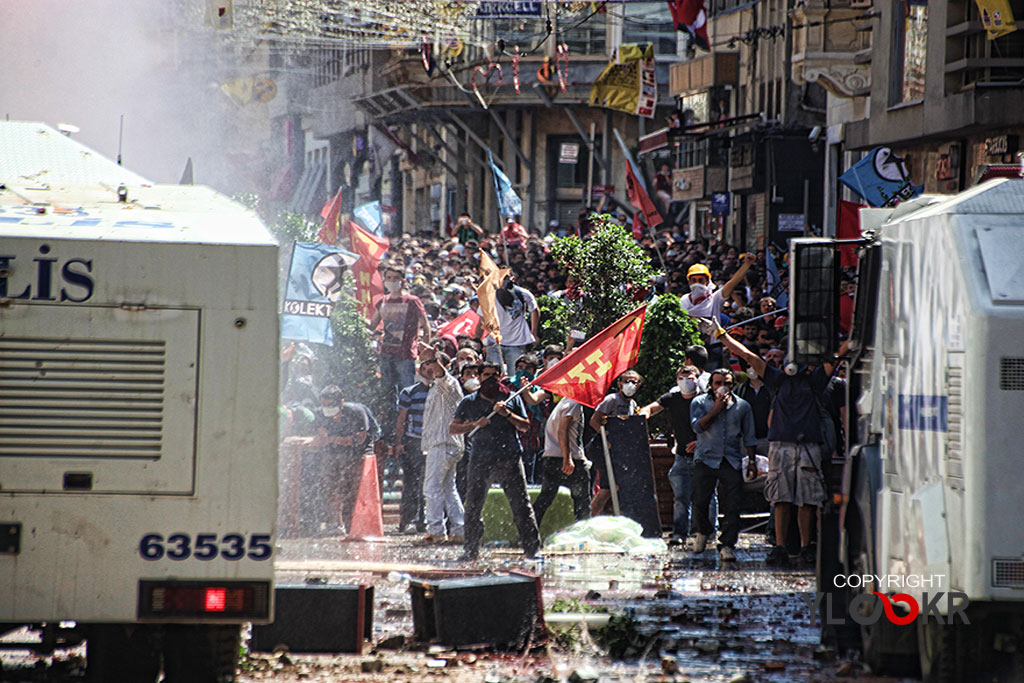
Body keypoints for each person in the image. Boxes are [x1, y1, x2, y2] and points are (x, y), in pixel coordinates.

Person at [718, 330, 841, 566]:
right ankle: (781, 546)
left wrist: (840, 345)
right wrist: (721, 335)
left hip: (807, 444)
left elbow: (831, 360)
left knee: (808, 501)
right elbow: (749, 356)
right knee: (781, 499)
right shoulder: (777, 379)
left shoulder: (815, 381)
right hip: (781, 444)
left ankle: (806, 546)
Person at [449, 362, 541, 562]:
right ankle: (471, 550)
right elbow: (453, 428)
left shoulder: (511, 398)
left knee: (521, 505)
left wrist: (507, 414)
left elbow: (526, 426)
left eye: (494, 375)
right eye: (486, 375)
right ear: (480, 377)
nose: (490, 378)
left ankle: (532, 550)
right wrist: (475, 424)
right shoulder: (469, 401)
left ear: (500, 376)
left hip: (510, 458)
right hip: (480, 458)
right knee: (473, 505)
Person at [689, 368, 758, 562]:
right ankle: (703, 531)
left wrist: (751, 461)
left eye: (727, 383)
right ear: (711, 385)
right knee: (700, 500)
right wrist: (716, 409)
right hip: (706, 457)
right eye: (718, 383)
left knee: (733, 504)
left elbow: (749, 436)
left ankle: (727, 544)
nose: (722, 387)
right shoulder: (699, 402)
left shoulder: (742, 406)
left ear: (733, 385)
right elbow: (697, 426)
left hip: (731, 459)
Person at [639, 365, 700, 545]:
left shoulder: (705, 400)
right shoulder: (672, 398)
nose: (686, 382)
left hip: (704, 455)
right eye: (682, 378)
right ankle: (680, 533)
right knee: (681, 498)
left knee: (708, 497)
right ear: (676, 381)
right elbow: (652, 408)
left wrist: (702, 443)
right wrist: (644, 414)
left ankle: (708, 532)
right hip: (681, 455)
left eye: (690, 378)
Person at [307, 384, 378, 536]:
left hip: (359, 452)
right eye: (324, 404)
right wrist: (317, 441)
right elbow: (321, 435)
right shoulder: (320, 414)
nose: (327, 408)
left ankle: (354, 523)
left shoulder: (356, 412)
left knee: (353, 489)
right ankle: (335, 523)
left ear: (341, 402)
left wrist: (331, 439)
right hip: (333, 452)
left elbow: (359, 439)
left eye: (331, 404)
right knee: (330, 486)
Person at [369, 266, 431, 436]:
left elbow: (426, 325)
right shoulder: (382, 301)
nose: (392, 281)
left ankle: (407, 430)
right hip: (386, 353)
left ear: (403, 280)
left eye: (396, 277)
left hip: (405, 355)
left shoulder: (412, 301)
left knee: (407, 392)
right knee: (387, 394)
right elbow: (373, 325)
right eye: (389, 277)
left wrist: (425, 349)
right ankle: (389, 430)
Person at [418, 348, 465, 544]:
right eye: (424, 365)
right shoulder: (433, 388)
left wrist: (431, 358)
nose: (428, 368)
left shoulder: (449, 384)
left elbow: (442, 376)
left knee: (431, 488)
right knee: (448, 489)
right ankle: (459, 530)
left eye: (430, 364)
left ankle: (436, 531)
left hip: (443, 444)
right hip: (446, 444)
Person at [589, 370, 643, 516]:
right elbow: (594, 420)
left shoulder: (633, 404)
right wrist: (607, 436)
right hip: (606, 450)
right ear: (619, 383)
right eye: (627, 381)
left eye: (634, 382)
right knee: (607, 488)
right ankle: (589, 518)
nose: (630, 385)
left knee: (619, 487)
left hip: (621, 452)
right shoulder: (611, 400)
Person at [532, 396, 591, 525]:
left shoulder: (563, 403)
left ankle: (529, 534)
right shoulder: (573, 404)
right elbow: (562, 430)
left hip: (552, 457)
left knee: (545, 498)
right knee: (582, 502)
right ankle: (583, 536)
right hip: (568, 459)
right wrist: (567, 457)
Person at [395, 372, 430, 533]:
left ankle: (424, 520)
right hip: (413, 441)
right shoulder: (409, 392)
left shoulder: (440, 391)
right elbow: (401, 418)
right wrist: (398, 442)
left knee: (427, 483)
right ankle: (407, 520)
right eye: (425, 368)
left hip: (434, 441)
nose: (428, 372)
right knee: (411, 482)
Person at [494, 274, 539, 373]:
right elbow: (482, 318)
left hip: (516, 342)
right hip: (495, 343)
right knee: (494, 374)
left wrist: (533, 333)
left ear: (512, 278)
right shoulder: (490, 295)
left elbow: (534, 310)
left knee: (515, 374)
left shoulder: (523, 293)